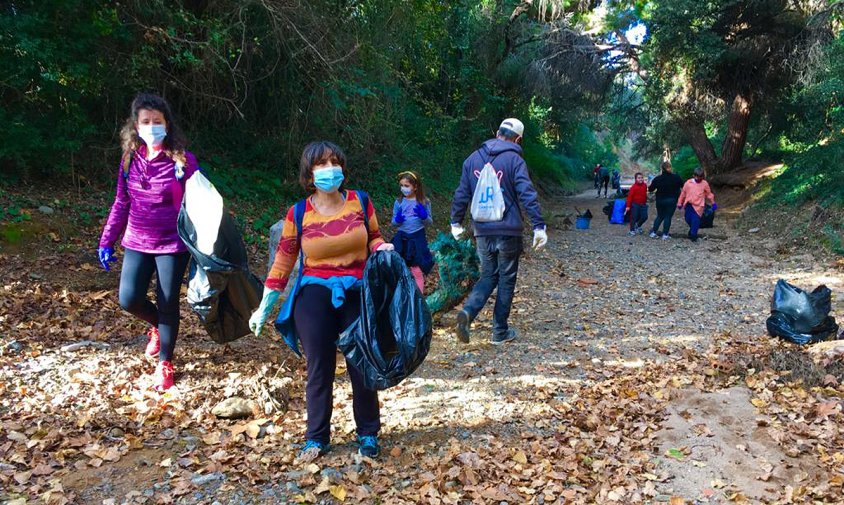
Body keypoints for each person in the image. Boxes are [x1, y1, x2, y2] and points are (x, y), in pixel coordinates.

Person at [248, 141, 394, 461]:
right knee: (319, 366)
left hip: (356, 290)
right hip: (314, 292)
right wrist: (265, 305)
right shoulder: (298, 212)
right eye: (321, 163)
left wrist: (382, 247)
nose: (329, 168)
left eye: (334, 161)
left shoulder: (360, 202)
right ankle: (316, 437)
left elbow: (373, 236)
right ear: (309, 173)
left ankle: (368, 433)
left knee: (361, 363)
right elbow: (283, 263)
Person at [98, 93, 200, 392]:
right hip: (138, 240)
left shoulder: (182, 160)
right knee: (129, 299)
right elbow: (121, 201)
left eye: (157, 121)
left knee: (168, 304)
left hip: (173, 244)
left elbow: (203, 201)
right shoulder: (130, 159)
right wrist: (108, 239)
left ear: (167, 124)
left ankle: (165, 363)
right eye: (146, 122)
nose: (152, 127)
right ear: (136, 125)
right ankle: (158, 327)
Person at [450, 118, 547, 345]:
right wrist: (538, 226)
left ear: (497, 132)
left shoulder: (472, 159)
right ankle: (499, 332)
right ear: (519, 139)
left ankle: (468, 312)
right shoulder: (514, 160)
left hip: (481, 230)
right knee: (506, 279)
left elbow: (461, 193)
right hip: (508, 231)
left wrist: (455, 222)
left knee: (488, 275)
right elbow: (527, 193)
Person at [391, 171, 434, 293]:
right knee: (400, 267)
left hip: (417, 237)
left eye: (406, 186)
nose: (403, 188)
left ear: (415, 187)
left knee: (416, 270)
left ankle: (418, 297)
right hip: (402, 238)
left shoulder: (424, 202)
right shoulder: (399, 202)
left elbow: (429, 222)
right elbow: (393, 222)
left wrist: (424, 216)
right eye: (402, 185)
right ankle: (401, 295)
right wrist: (397, 220)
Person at [677, 167, 716, 242]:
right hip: (689, 205)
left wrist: (713, 203)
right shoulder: (688, 183)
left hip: (699, 206)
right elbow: (683, 194)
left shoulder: (704, 184)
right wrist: (679, 202)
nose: (699, 178)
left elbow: (709, 194)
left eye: (701, 176)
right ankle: (692, 231)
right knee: (688, 219)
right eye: (697, 176)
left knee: (695, 220)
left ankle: (693, 236)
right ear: (694, 175)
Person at [647, 161, 684, 240]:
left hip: (660, 200)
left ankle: (653, 232)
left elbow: (650, 189)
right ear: (670, 168)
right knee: (668, 217)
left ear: (662, 169)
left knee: (660, 216)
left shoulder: (657, 178)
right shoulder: (676, 177)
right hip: (671, 200)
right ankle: (665, 235)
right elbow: (682, 185)